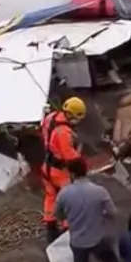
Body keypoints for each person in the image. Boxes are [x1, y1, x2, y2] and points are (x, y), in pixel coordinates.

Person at [55, 159, 119, 262]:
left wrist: (70, 216)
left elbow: (58, 215)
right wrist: (101, 214)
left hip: (77, 242)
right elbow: (113, 214)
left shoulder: (64, 193)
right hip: (97, 239)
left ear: (71, 174)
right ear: (86, 171)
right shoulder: (100, 191)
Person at [41, 96, 88, 243]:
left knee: (51, 196)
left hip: (46, 166)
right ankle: (68, 228)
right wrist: (81, 166)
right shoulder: (64, 132)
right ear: (72, 116)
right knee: (68, 198)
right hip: (59, 172)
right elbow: (70, 157)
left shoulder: (51, 117)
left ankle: (50, 226)